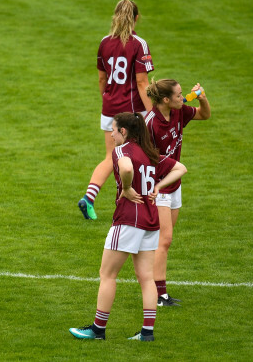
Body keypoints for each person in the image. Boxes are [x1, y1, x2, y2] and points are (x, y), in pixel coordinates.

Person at [70, 112, 187, 341]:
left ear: (123, 131)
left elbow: (125, 169)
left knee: (107, 274)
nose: (112, 135)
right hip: (150, 221)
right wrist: (157, 187)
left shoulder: (122, 151)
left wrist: (125, 187)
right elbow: (180, 168)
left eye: (114, 130)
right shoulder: (150, 153)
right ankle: (147, 333)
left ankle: (98, 329)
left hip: (128, 219)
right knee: (146, 277)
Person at [78, 0, 155, 220]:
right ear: (136, 18)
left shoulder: (104, 42)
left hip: (109, 107)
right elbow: (142, 83)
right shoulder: (138, 43)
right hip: (132, 112)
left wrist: (107, 97)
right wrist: (152, 113)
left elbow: (102, 78)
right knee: (142, 155)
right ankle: (144, 199)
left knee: (111, 156)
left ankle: (89, 198)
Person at [144, 79, 210, 306]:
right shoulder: (150, 124)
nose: (183, 98)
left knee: (163, 242)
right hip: (157, 186)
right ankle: (160, 294)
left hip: (174, 184)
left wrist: (202, 98)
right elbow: (143, 158)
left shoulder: (179, 112)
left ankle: (154, 285)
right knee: (165, 239)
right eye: (179, 95)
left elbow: (204, 115)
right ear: (165, 100)